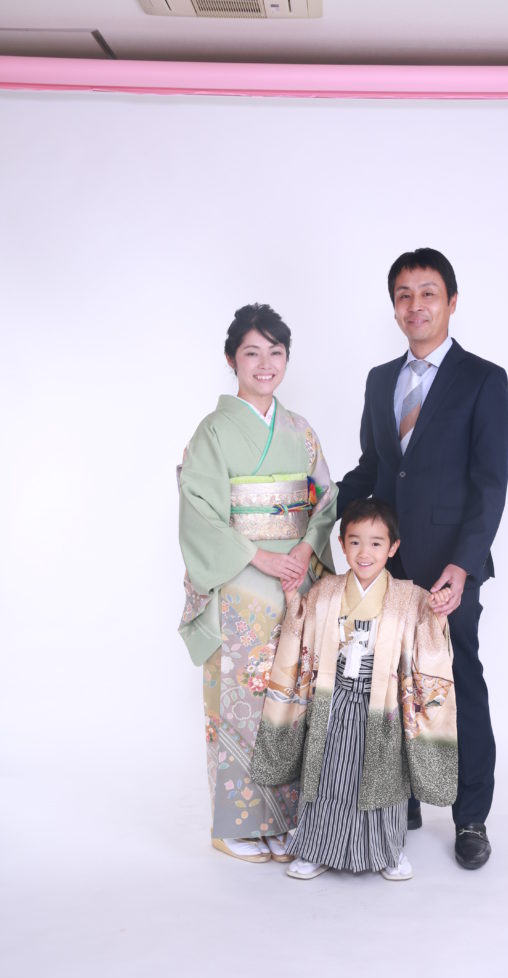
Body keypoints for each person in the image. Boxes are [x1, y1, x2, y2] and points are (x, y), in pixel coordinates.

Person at [336, 248, 508, 870]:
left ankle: (471, 816)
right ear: (394, 308)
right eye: (404, 295)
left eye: (428, 293)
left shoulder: (483, 379)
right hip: (387, 564)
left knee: (458, 683)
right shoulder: (380, 379)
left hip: (448, 568)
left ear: (451, 302)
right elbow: (375, 468)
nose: (416, 305)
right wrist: (331, 519)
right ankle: (401, 800)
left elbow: (490, 483)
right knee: (388, 680)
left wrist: (464, 565)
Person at [178, 303, 338, 864]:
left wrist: (304, 548)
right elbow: (199, 511)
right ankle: (235, 824)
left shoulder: (301, 431)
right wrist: (261, 557)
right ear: (232, 359)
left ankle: (286, 819)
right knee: (240, 699)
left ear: (287, 359)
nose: (265, 363)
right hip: (240, 586)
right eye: (252, 352)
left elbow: (325, 498)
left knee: (292, 698)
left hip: (294, 583)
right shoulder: (213, 432)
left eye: (276, 352)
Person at [251, 497, 457, 881]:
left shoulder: (409, 596)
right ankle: (317, 848)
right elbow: (302, 627)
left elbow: (427, 638)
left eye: (376, 543)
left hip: (382, 704)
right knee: (329, 775)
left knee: (382, 779)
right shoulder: (327, 590)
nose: (365, 552)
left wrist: (436, 612)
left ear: (393, 548)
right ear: (342, 544)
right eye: (355, 541)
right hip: (332, 698)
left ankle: (388, 850)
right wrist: (294, 599)